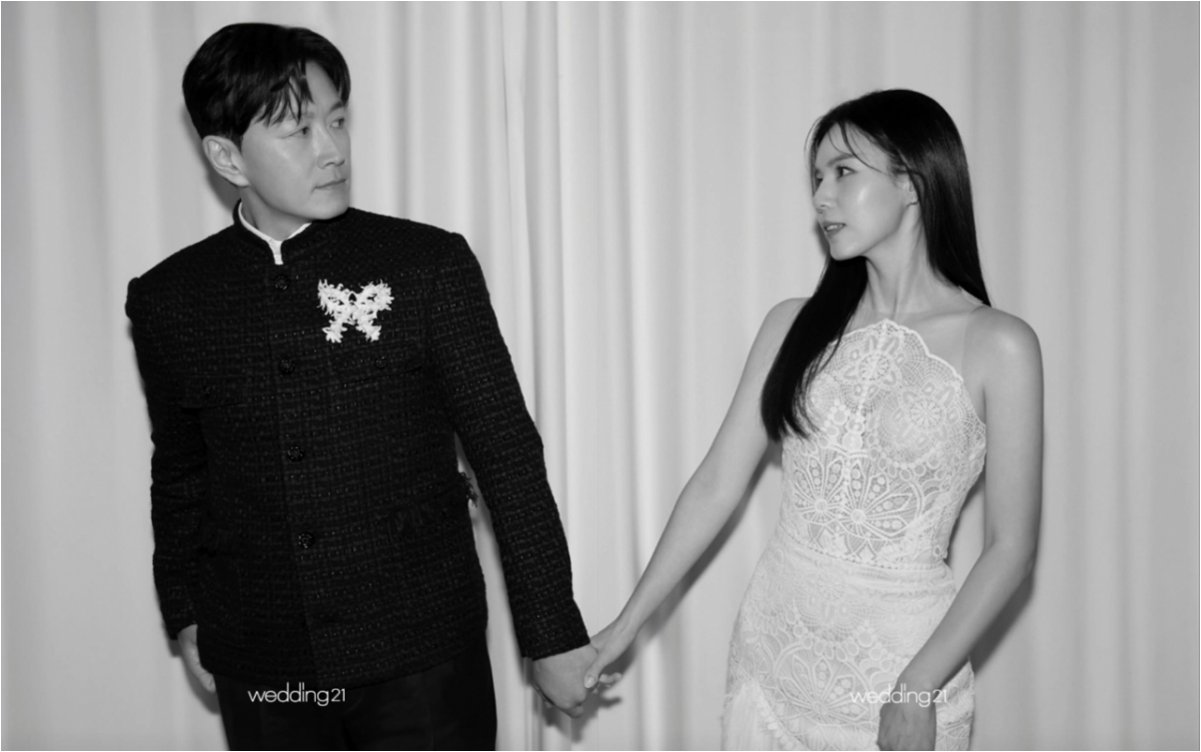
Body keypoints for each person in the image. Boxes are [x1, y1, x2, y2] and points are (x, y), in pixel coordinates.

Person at [126, 23, 594, 750]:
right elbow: (182, 468)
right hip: (264, 659)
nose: (332, 150)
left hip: (424, 655)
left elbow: (505, 454)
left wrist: (552, 633)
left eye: (337, 120)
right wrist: (184, 609)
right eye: (297, 131)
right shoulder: (171, 298)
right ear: (227, 157)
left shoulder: (425, 264)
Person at [583, 89, 1043, 750]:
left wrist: (917, 688)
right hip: (769, 666)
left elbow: (1010, 548)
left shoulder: (1000, 343)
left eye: (843, 173)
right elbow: (716, 484)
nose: (821, 198)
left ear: (912, 183)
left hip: (903, 683)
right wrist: (622, 629)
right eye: (817, 179)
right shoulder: (792, 325)